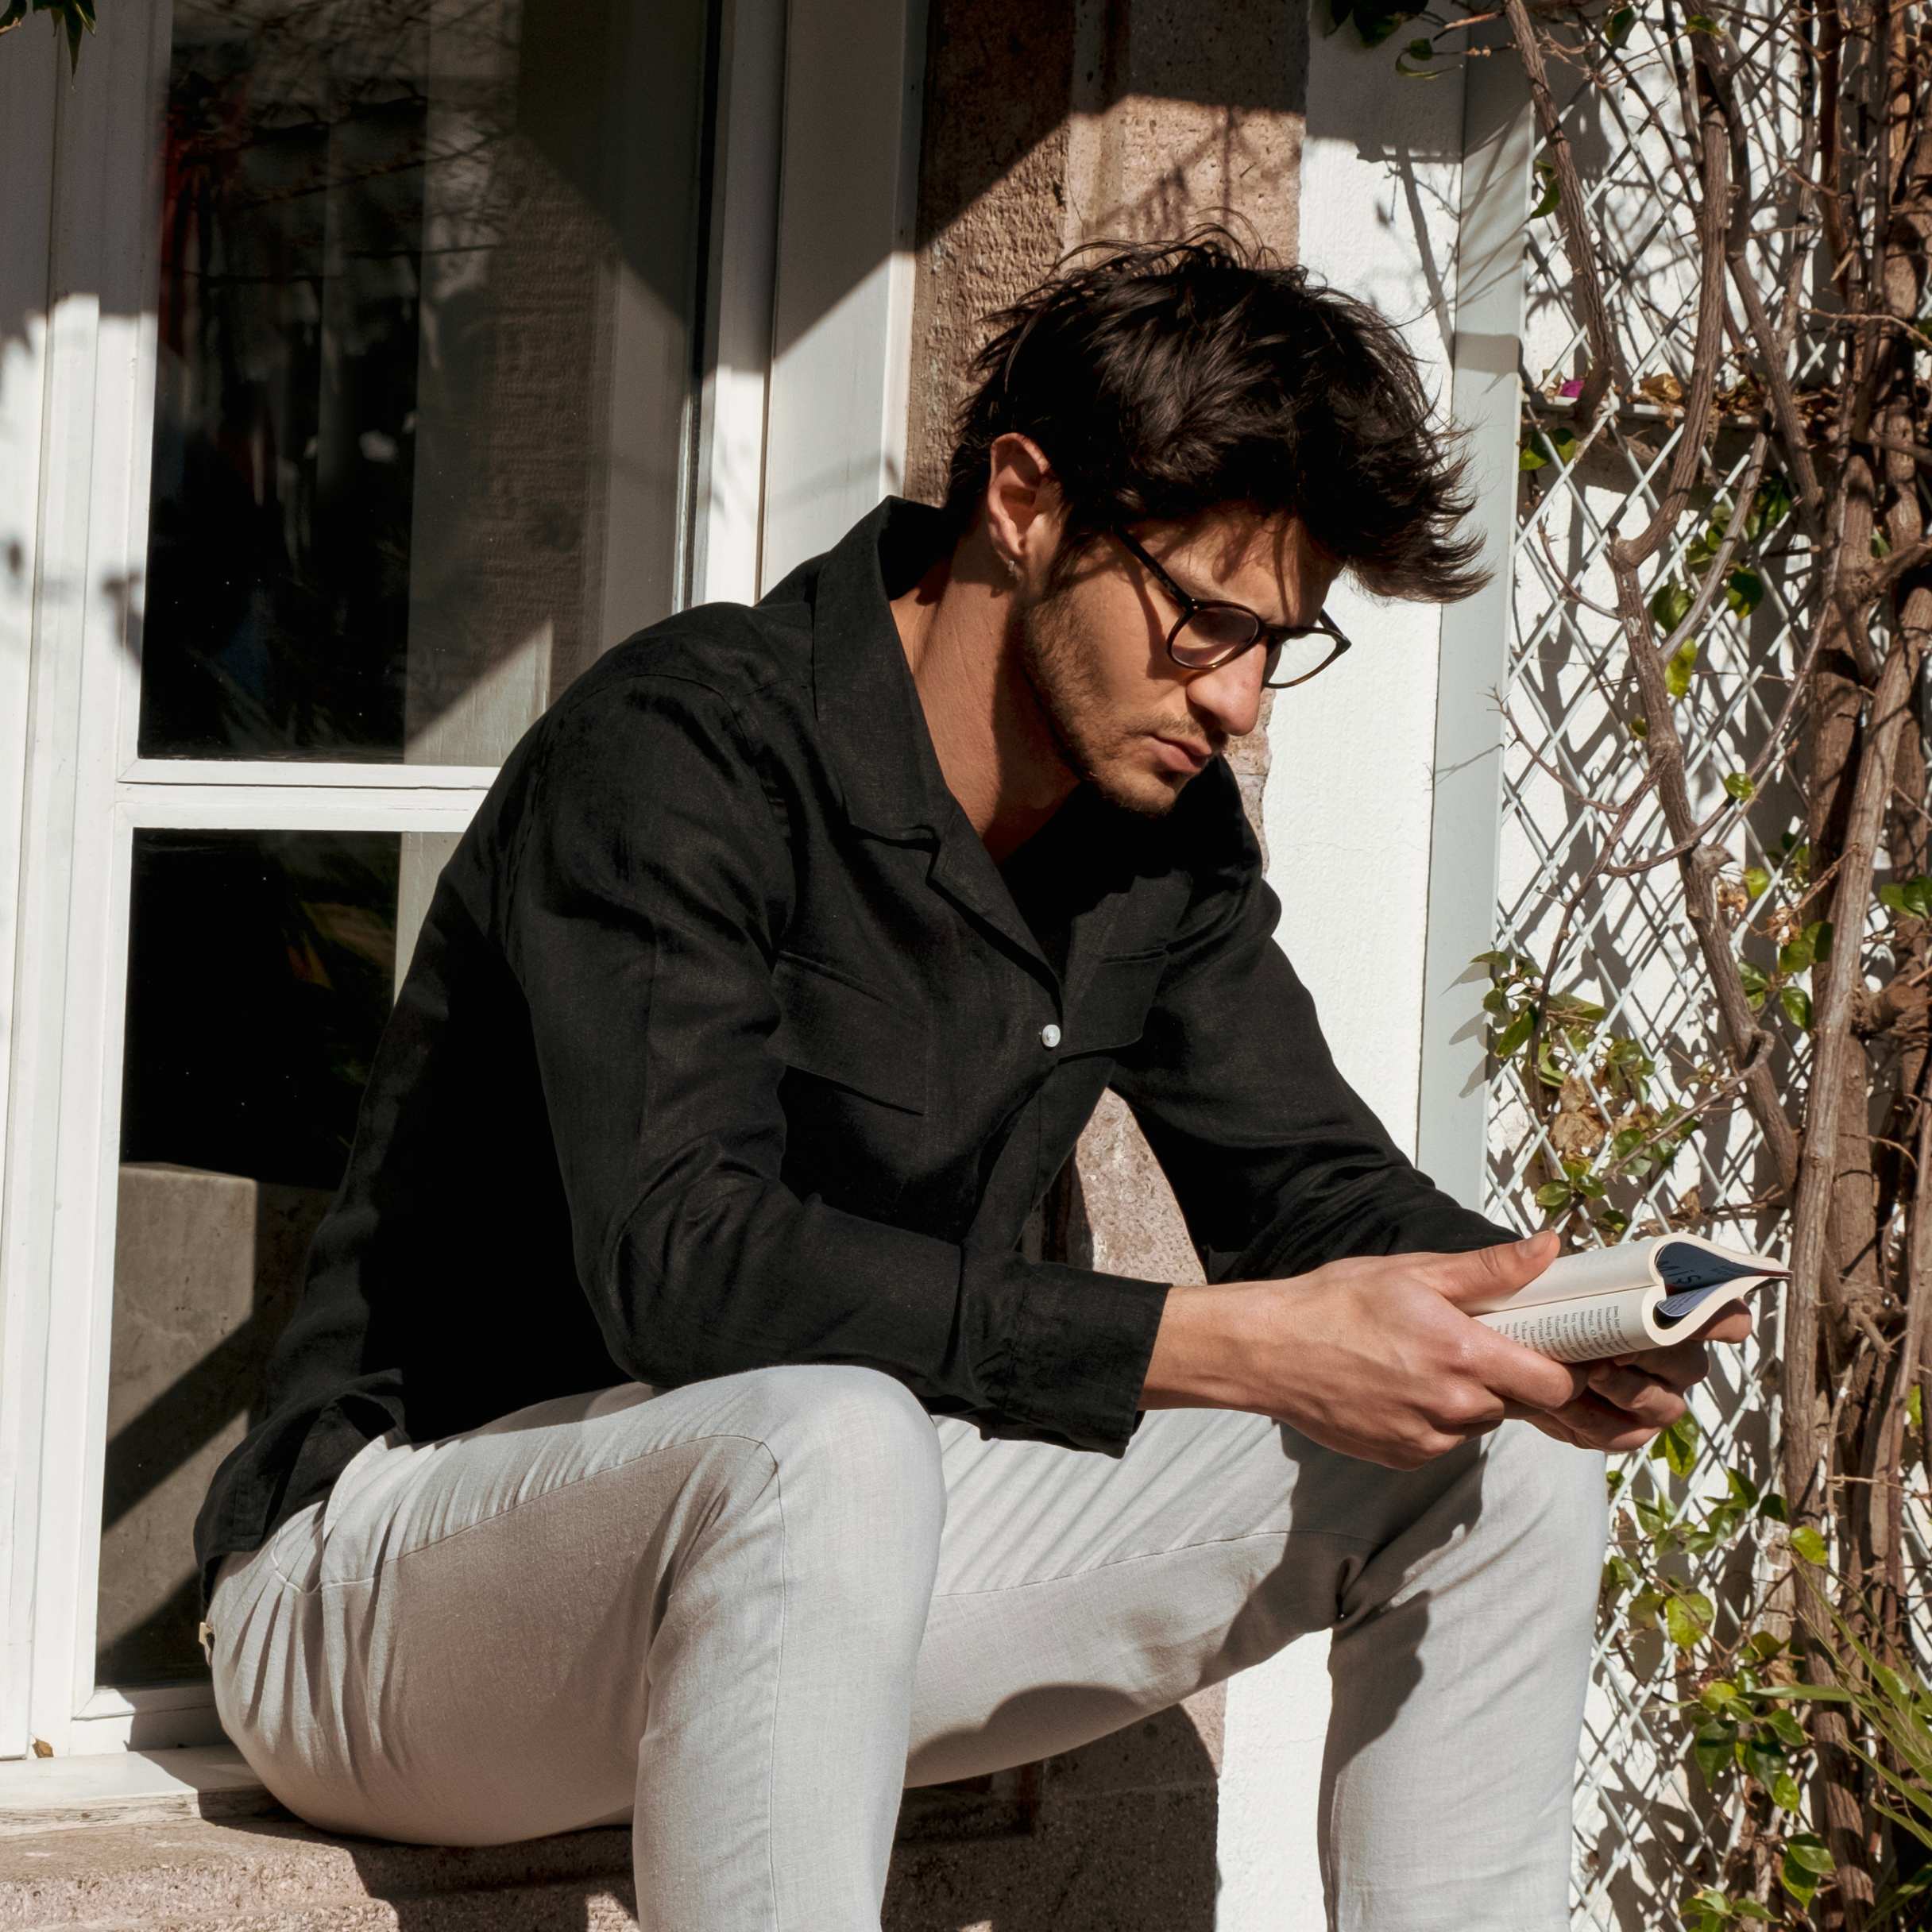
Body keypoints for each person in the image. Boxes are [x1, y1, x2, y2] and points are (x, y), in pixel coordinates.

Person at [195, 234, 1747, 1932]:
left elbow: (1309, 1179)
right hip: (392, 1591)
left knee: (1497, 1459)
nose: (1233, 697)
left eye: (1276, 643)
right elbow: (683, 1263)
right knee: (835, 1434)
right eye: (1203, 621)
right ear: (1023, 499)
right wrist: (1208, 1343)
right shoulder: (686, 746)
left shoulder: (1149, 834)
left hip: (828, 1580)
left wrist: (1538, 1321)